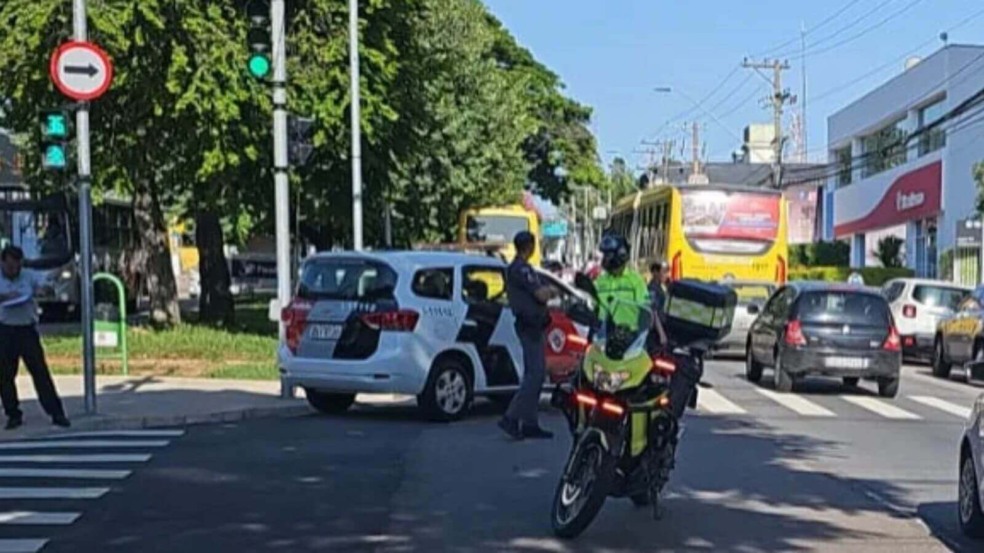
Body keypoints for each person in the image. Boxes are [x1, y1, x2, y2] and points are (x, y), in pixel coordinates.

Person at [0, 245, 69, 430]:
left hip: (26, 330)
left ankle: (56, 413)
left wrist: (43, 291)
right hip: (5, 329)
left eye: (17, 267)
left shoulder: (28, 275)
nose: (13, 271)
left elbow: (45, 287)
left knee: (40, 372)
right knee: (5, 376)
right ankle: (13, 414)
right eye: (9, 267)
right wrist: (4, 296)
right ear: (3, 263)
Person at [498, 231, 556, 440]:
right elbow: (540, 294)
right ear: (529, 246)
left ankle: (530, 423)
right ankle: (511, 418)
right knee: (535, 375)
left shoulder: (517, 268)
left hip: (532, 325)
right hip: (529, 326)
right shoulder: (521, 269)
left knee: (535, 374)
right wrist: (550, 291)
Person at [595, 234, 668, 345]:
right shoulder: (599, 282)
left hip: (631, 340)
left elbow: (646, 309)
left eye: (608, 255)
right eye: (605, 256)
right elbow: (592, 306)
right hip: (603, 339)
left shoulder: (636, 281)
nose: (605, 259)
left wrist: (647, 332)